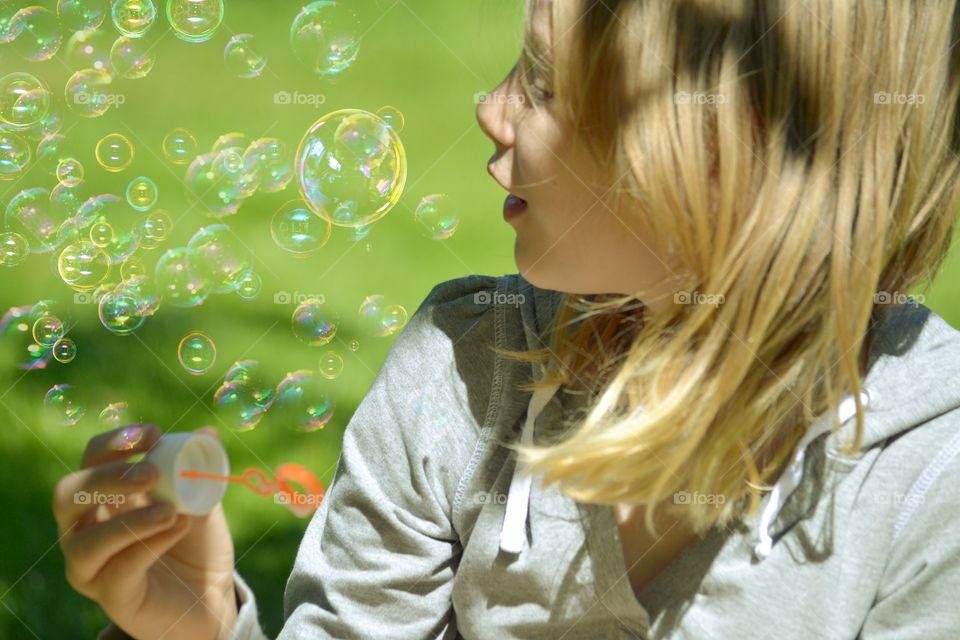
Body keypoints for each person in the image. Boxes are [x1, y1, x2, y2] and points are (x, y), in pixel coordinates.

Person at [54, 0, 960, 638]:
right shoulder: (466, 366)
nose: (490, 110)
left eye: (544, 84)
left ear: (727, 146)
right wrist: (200, 626)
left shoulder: (930, 485)